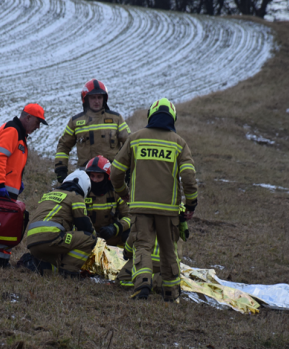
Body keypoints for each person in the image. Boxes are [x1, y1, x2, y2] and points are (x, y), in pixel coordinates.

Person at [110, 98, 197, 301]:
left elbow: (115, 172)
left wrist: (123, 192)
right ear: (172, 118)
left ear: (151, 115)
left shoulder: (135, 138)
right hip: (169, 210)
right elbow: (189, 178)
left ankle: (142, 286)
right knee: (169, 250)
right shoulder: (179, 143)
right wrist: (191, 204)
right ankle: (171, 293)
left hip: (141, 207)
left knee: (143, 246)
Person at [0, 102, 47, 265]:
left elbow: (11, 162)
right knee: (0, 226)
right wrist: (0, 185)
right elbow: (0, 157)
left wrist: (17, 183)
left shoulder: (18, 132)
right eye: (37, 122)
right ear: (28, 117)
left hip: (2, 186)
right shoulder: (13, 131)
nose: (38, 127)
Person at [20, 169, 97, 277]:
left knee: (54, 267)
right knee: (90, 238)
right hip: (51, 238)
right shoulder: (75, 196)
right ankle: (68, 272)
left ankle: (34, 263)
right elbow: (85, 226)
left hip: (33, 241)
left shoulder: (50, 194)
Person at [54, 79, 130, 182]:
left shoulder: (116, 119)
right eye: (93, 98)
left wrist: (128, 168)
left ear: (104, 98)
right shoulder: (75, 121)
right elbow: (63, 145)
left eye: (99, 97)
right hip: (85, 176)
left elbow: (129, 143)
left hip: (111, 175)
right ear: (85, 99)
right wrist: (60, 168)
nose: (97, 101)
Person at [83, 155, 130, 246]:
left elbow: (129, 217)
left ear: (107, 177)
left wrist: (115, 228)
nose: (95, 180)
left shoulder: (116, 194)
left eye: (99, 176)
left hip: (112, 238)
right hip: (88, 239)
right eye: (92, 176)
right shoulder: (83, 193)